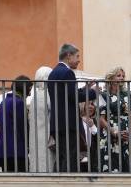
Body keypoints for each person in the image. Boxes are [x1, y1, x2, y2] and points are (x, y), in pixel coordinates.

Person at [48, 43, 97, 172]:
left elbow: (66, 94)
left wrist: (85, 89)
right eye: (77, 56)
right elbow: (74, 97)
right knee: (71, 158)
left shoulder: (53, 72)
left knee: (62, 157)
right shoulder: (68, 72)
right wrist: (93, 92)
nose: (79, 59)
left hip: (57, 123)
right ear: (68, 56)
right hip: (69, 123)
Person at [98, 67, 131, 172]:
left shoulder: (128, 94)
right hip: (110, 133)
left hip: (129, 131)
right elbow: (100, 118)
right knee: (113, 165)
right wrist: (114, 132)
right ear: (111, 78)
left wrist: (129, 132)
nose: (122, 78)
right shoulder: (103, 95)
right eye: (118, 76)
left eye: (123, 76)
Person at [0, 75, 33, 172]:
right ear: (24, 88)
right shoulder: (19, 103)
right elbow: (23, 128)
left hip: (2, 150)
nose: (29, 94)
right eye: (29, 89)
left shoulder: (4, 102)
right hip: (16, 151)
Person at [28, 66, 55, 172]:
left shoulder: (35, 97)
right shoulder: (48, 95)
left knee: (38, 161)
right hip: (47, 134)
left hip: (35, 135)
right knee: (47, 162)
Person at [79, 100, 98, 172]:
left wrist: (92, 126)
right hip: (79, 158)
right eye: (88, 104)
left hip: (92, 159)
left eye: (92, 104)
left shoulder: (95, 121)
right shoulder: (77, 120)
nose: (91, 107)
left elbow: (99, 140)